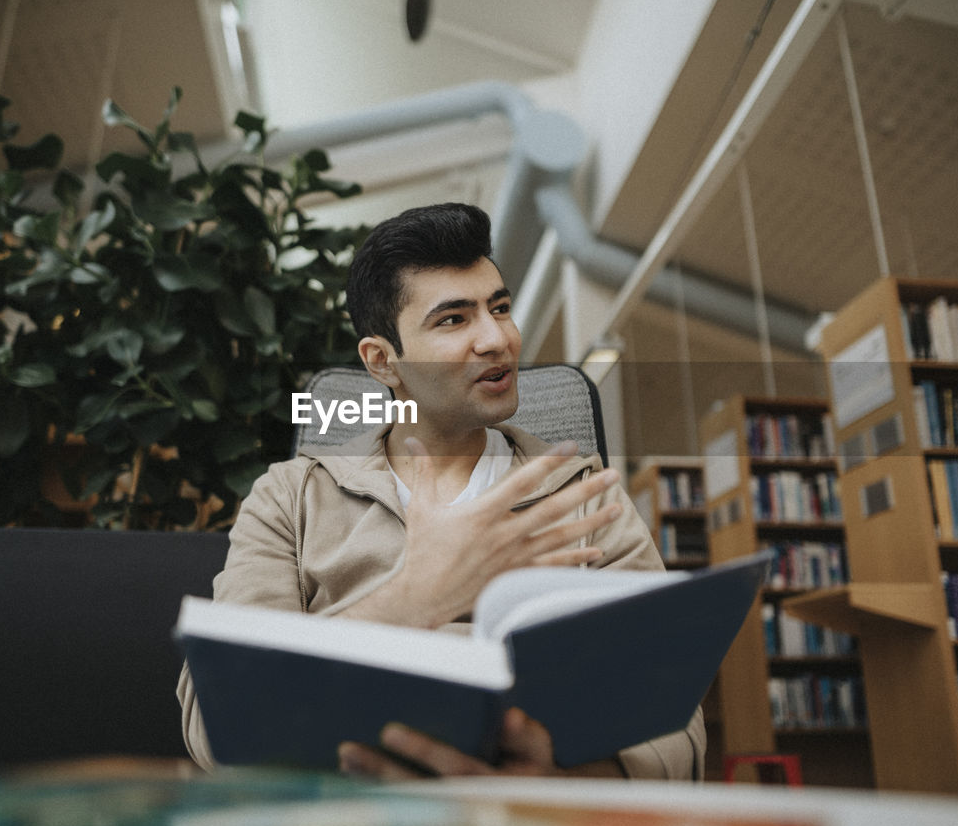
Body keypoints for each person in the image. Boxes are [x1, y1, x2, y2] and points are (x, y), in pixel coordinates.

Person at [177, 202, 705, 779]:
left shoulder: (584, 493)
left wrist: (565, 777)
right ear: (383, 361)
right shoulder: (290, 498)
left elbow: (673, 715)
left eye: (500, 308)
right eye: (454, 320)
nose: (496, 339)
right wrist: (411, 598)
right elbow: (219, 718)